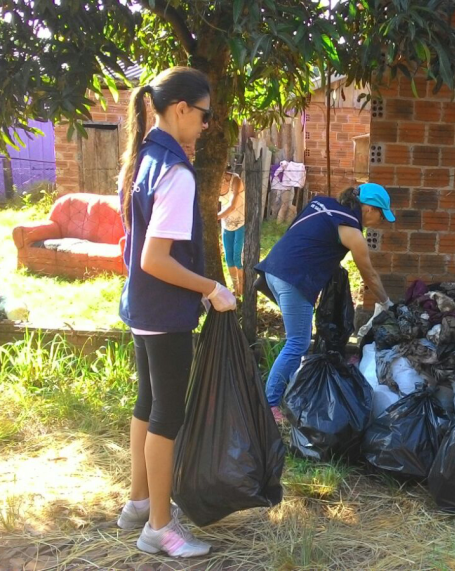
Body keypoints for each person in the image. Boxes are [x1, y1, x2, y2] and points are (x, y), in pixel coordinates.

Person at [116, 67, 237, 558]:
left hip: (142, 307)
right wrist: (211, 288)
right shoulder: (176, 172)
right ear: (181, 109)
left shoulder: (144, 156)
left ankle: (139, 503)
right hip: (164, 310)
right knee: (168, 414)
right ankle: (159, 529)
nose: (207, 126)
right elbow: (155, 258)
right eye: (204, 115)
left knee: (148, 405)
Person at [255, 183, 395, 422]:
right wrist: (387, 303)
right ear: (369, 209)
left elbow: (302, 234)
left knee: (296, 339)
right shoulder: (353, 232)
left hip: (272, 270)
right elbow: (369, 275)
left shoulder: (321, 203)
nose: (379, 222)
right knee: (297, 343)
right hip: (294, 279)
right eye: (381, 215)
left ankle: (288, 393)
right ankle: (269, 407)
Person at [218, 167, 246, 296]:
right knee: (228, 258)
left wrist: (215, 217)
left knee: (237, 258)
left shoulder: (236, 180)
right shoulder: (213, 184)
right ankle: (235, 288)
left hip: (241, 223)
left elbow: (232, 205)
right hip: (226, 224)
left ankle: (242, 286)